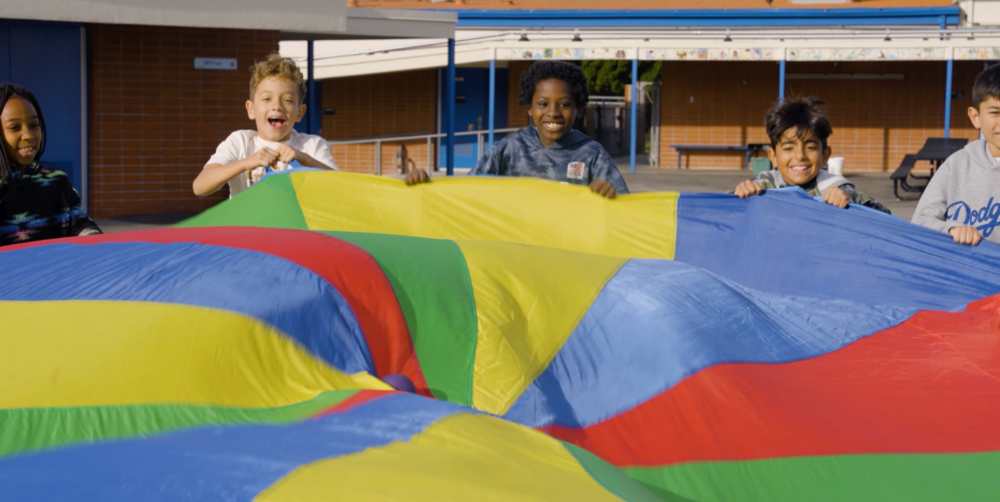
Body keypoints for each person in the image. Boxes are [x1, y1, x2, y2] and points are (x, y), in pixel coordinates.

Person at [405, 61, 628, 198]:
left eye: (564, 104)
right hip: (517, 254)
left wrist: (609, 193)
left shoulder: (592, 154)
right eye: (543, 104)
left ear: (578, 109)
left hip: (569, 254)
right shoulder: (511, 148)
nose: (553, 112)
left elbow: (626, 209)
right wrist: (427, 184)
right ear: (530, 108)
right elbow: (468, 189)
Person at [193, 54, 338, 198]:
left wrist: (304, 159)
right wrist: (246, 163)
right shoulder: (240, 142)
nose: (277, 106)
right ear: (251, 109)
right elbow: (199, 186)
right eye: (267, 98)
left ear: (300, 112)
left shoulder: (312, 146)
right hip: (247, 222)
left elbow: (341, 187)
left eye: (287, 100)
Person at [733, 97, 890, 214]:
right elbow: (725, 208)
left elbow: (883, 215)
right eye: (788, 148)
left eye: (810, 147)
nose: (800, 156)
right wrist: (740, 192)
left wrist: (849, 199)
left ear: (825, 155)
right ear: (773, 157)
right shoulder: (764, 184)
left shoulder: (835, 186)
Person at [0, 83, 101, 246]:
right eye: (14, 127)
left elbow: (80, 224)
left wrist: (96, 244)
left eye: (34, 125)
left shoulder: (56, 180)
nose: (28, 135)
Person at [911, 65, 1000, 246]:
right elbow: (920, 222)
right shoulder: (957, 165)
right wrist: (951, 229)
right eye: (995, 112)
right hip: (962, 272)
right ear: (975, 117)